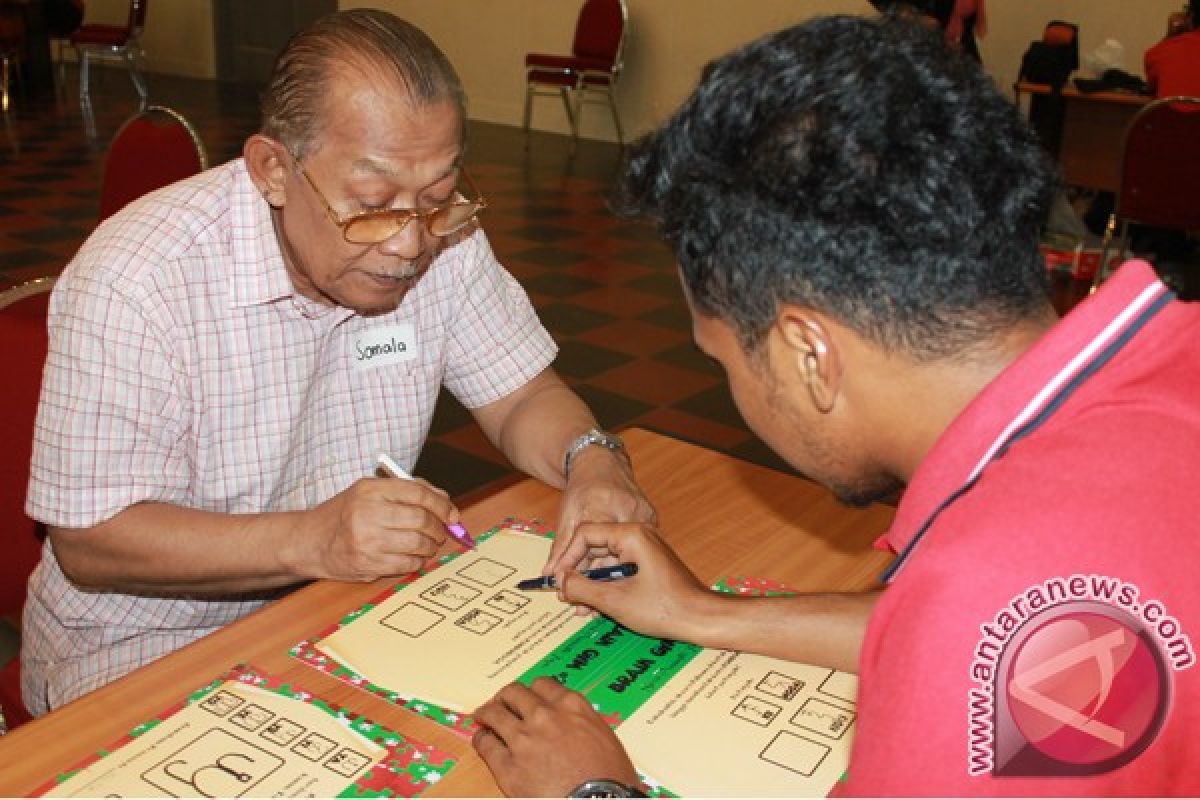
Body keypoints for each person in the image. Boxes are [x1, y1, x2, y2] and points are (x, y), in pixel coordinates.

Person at [471, 14, 1200, 796]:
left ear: (808, 355)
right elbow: (947, 629)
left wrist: (595, 792)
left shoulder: (990, 601)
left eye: (720, 358)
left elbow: (973, 634)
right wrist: (704, 613)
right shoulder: (1163, 372)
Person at [21, 9, 652, 717]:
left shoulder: (442, 238)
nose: (409, 246)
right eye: (372, 205)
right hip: (139, 646)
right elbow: (91, 542)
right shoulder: (141, 276)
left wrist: (592, 459)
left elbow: (523, 397)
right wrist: (312, 539)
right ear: (273, 172)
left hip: (339, 605)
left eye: (439, 197)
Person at [1145, 1, 1200, 98]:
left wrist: (1171, 37)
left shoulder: (1157, 52)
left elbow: (1151, 89)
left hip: (1168, 113)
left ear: (1190, 17)